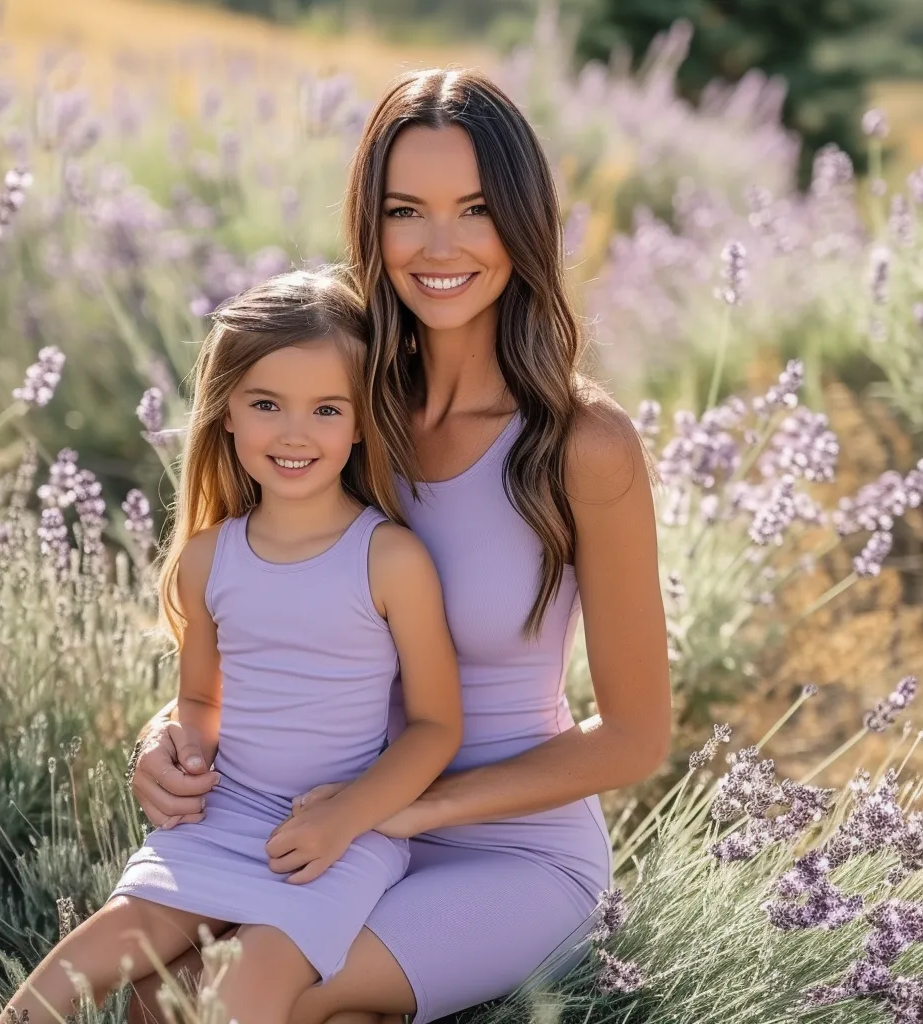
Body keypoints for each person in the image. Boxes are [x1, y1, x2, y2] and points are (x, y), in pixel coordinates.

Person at [127, 68, 672, 1024]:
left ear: (523, 222)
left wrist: (405, 809)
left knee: (223, 1002)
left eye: (474, 209)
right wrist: (166, 740)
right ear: (370, 226)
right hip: (320, 824)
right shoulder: (337, 397)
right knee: (141, 997)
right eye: (405, 211)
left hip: (509, 850)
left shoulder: (584, 446)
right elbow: (244, 608)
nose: (440, 245)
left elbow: (636, 736)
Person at [0, 270, 462, 1024]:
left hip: (341, 837)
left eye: (326, 408)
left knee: (228, 1004)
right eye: (266, 404)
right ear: (226, 415)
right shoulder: (209, 559)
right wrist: (179, 750)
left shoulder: (390, 560)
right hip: (220, 820)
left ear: (359, 423)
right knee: (66, 981)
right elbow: (201, 699)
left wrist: (347, 816)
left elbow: (439, 726)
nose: (294, 432)